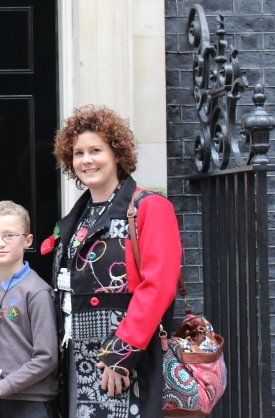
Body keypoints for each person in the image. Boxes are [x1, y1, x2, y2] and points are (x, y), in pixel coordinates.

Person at [49, 105, 182, 418]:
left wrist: (120, 356)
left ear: (117, 154)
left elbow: (159, 287)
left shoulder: (150, 207)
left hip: (124, 363)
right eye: (78, 153)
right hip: (77, 360)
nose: (86, 160)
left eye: (96, 150)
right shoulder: (78, 217)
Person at [0, 201, 58, 418]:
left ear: (28, 241)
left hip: (30, 402)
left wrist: (2, 386)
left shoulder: (37, 292)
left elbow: (47, 357)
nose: (0, 243)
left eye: (9, 235)